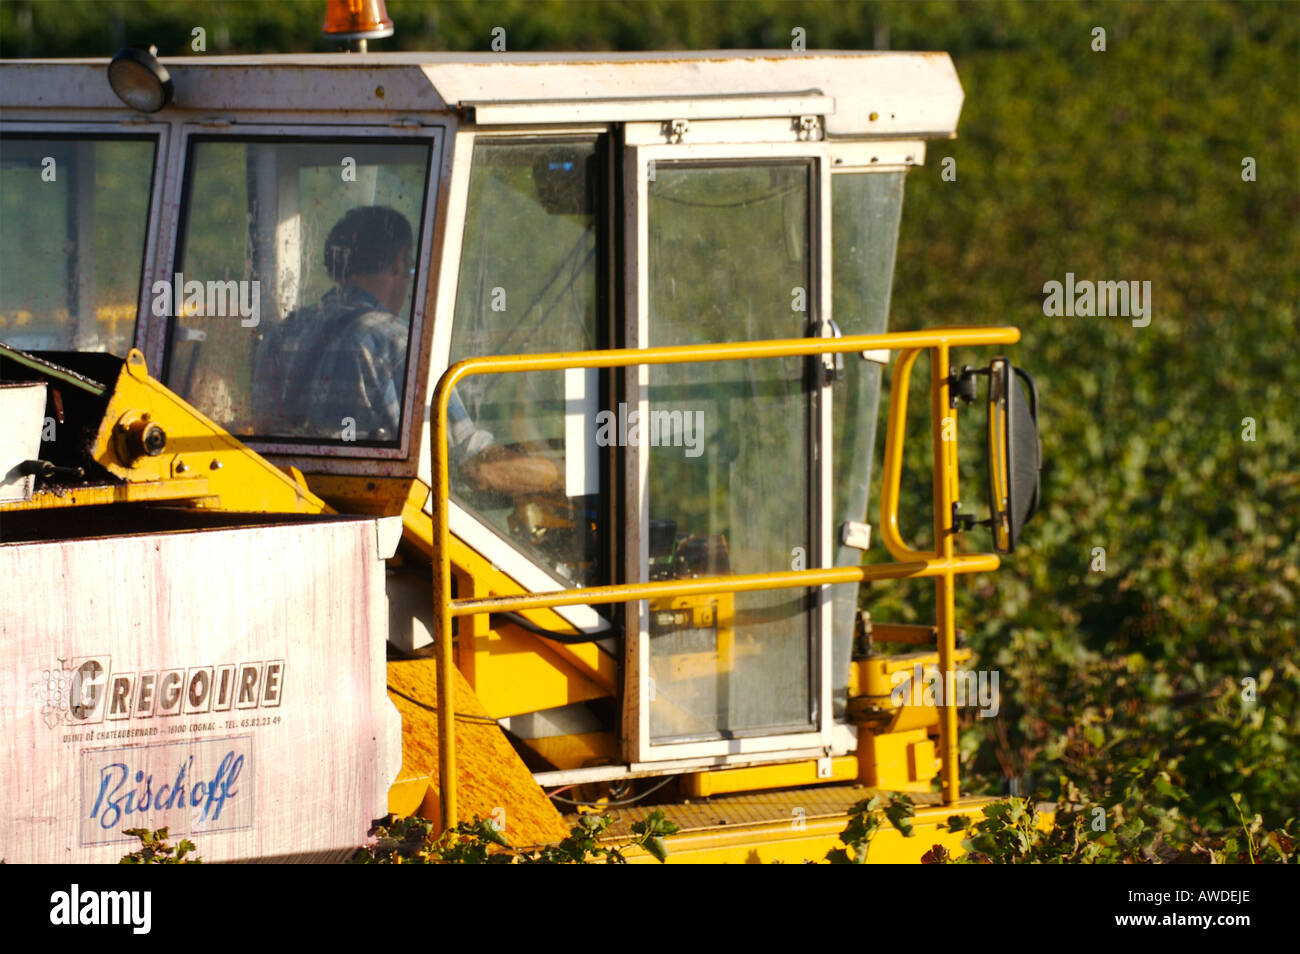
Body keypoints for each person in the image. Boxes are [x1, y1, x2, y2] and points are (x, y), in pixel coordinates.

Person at [253, 205, 562, 495]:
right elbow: (474, 466)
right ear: (400, 262)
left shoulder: (284, 332)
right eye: (410, 269)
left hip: (292, 499)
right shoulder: (396, 343)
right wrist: (560, 477)